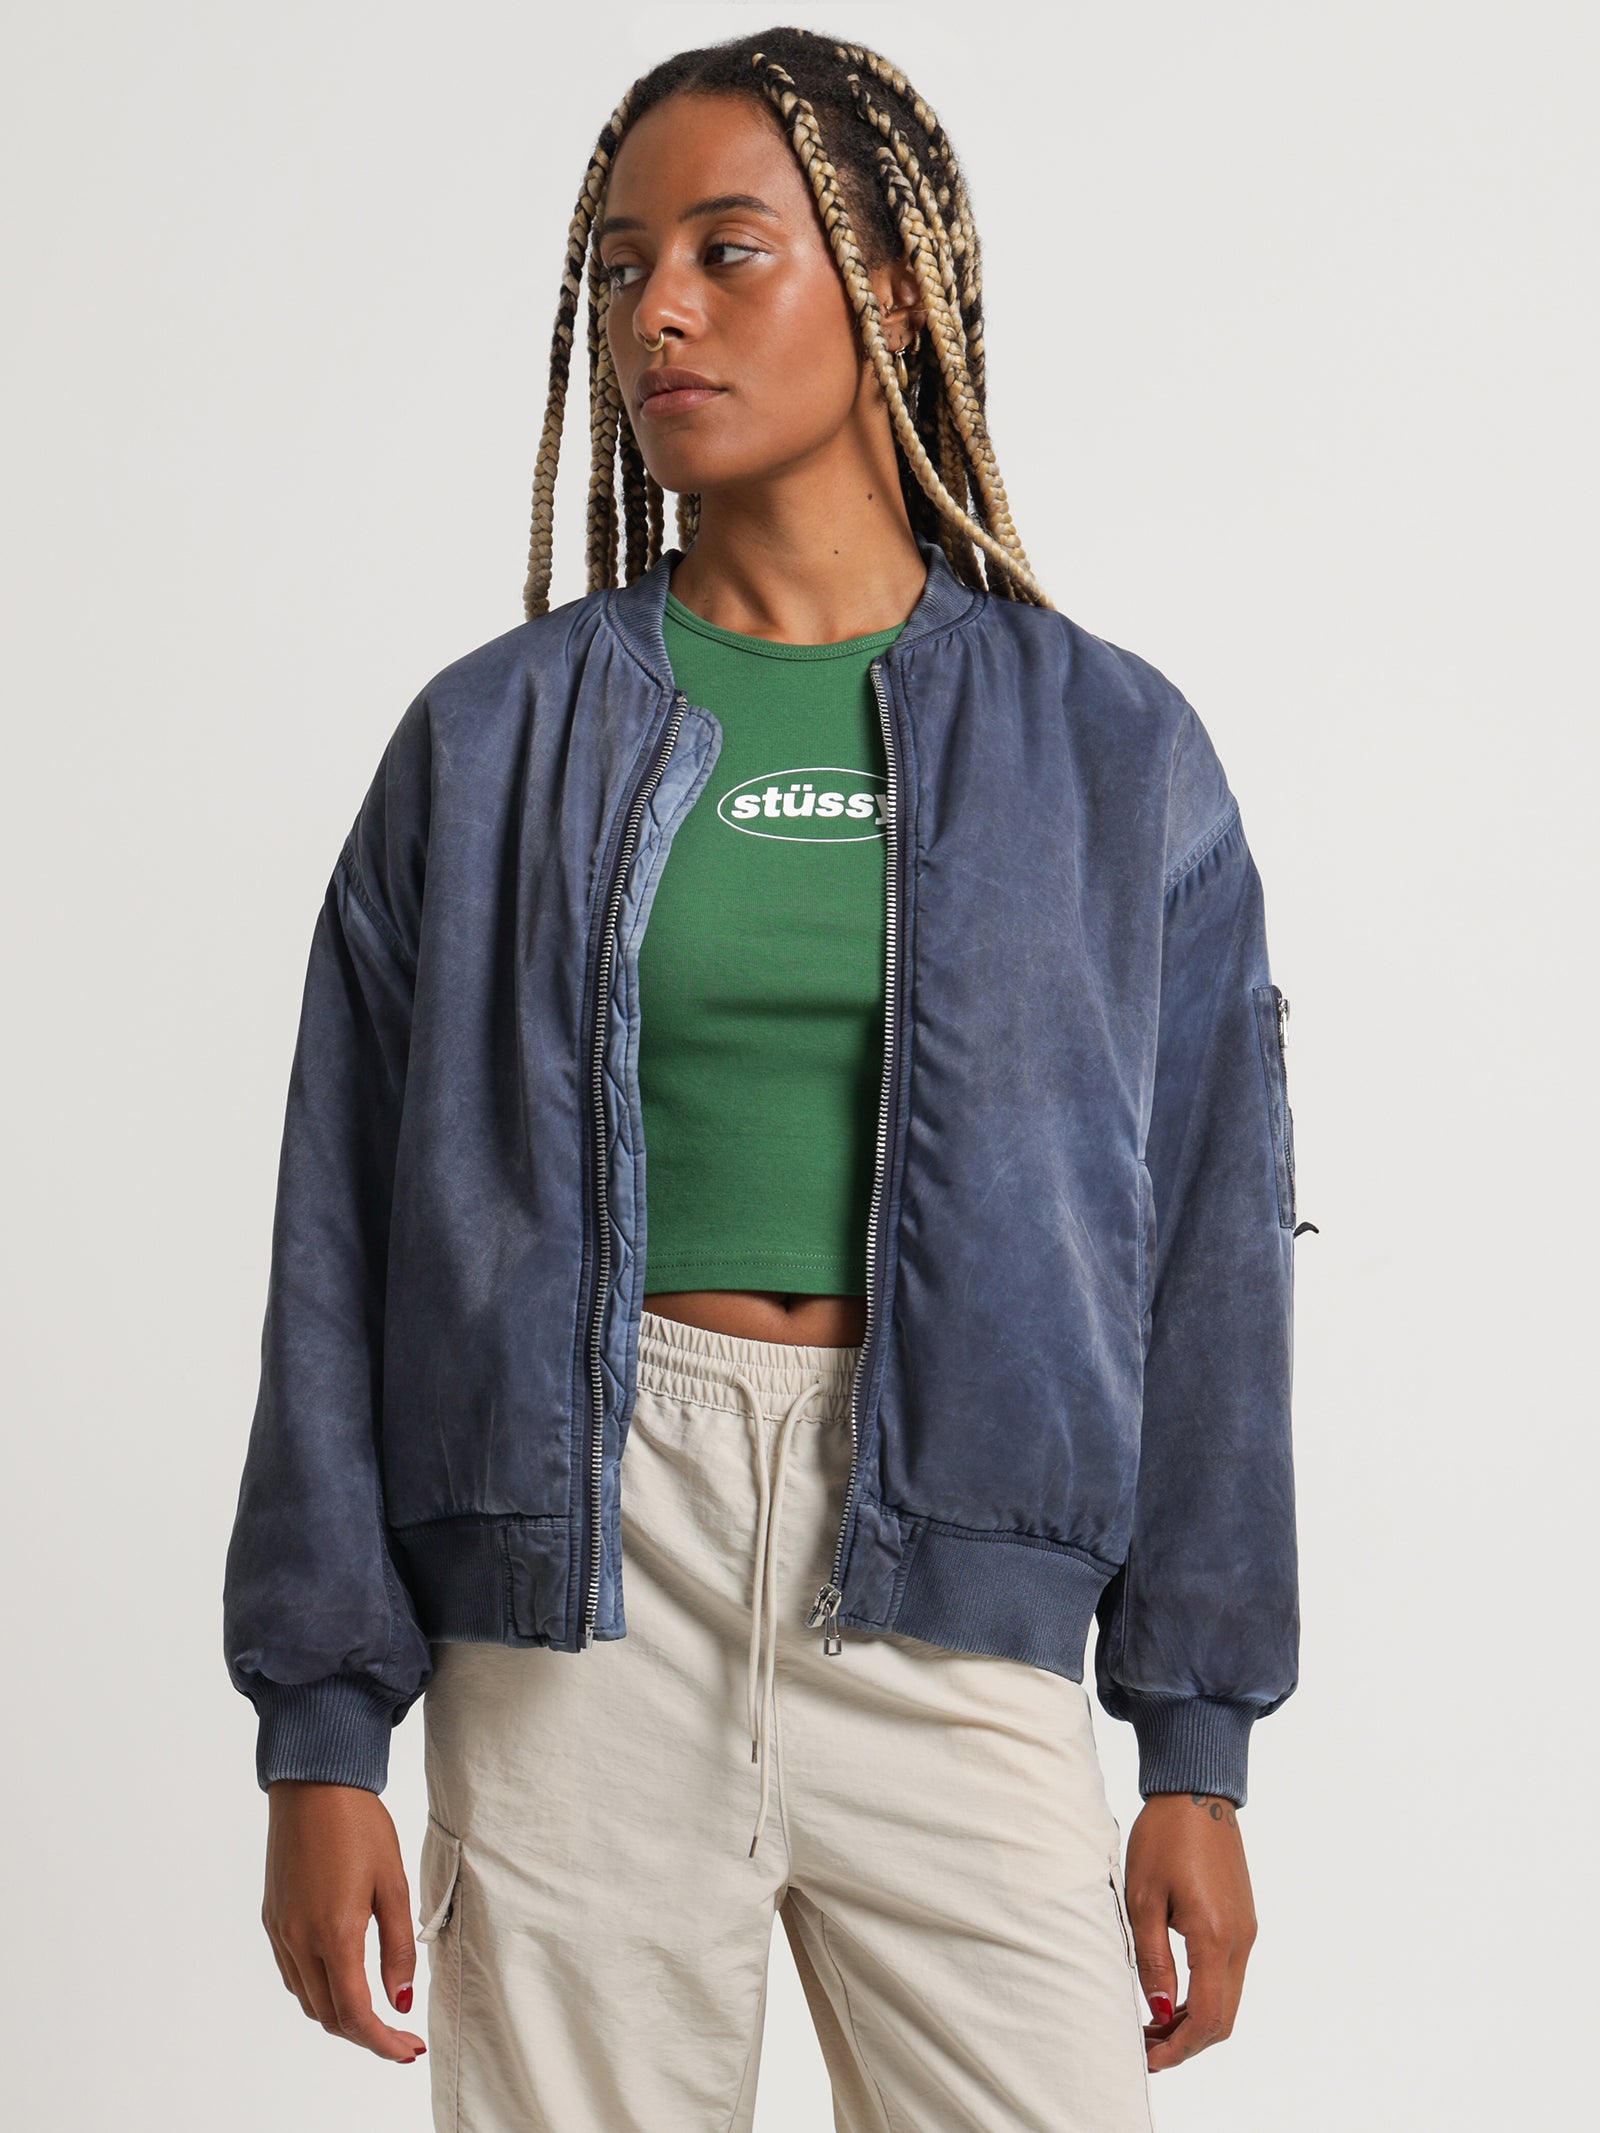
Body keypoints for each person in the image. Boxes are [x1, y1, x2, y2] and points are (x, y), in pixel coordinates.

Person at [223, 24, 1306, 2131]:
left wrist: (1193, 1743)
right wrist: (320, 1730)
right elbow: (334, 1235)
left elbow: (1209, 1255)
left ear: (891, 287)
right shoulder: (490, 740)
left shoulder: (1109, 751)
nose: (660, 312)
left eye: (730, 250)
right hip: (580, 1583)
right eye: (623, 266)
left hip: (954, 1578)